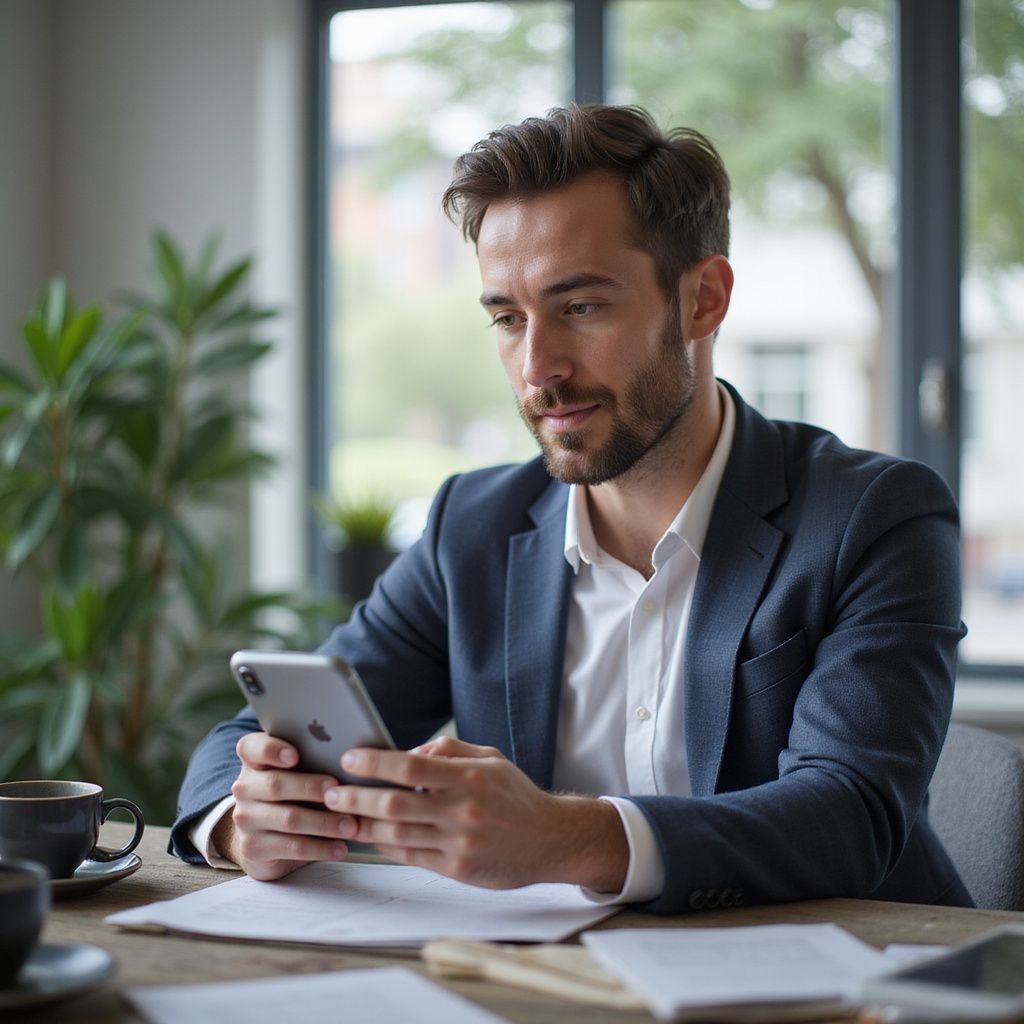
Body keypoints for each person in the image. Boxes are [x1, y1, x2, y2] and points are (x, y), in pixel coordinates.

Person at [170, 104, 971, 914]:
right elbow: (243, 742)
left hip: (850, 978)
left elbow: (851, 814)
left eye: (581, 307)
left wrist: (567, 838)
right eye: (508, 319)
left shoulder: (876, 516)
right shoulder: (471, 526)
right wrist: (245, 820)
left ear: (703, 300)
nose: (537, 368)